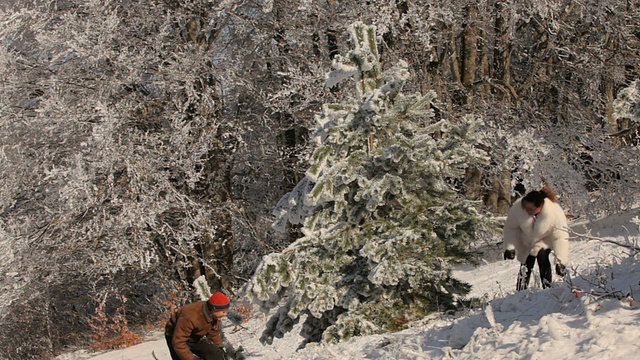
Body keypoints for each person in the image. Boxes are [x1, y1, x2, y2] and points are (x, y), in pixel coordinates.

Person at [502, 186, 569, 290]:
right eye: (525, 208)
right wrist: (509, 247)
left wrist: (561, 261)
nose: (526, 211)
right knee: (526, 263)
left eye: (530, 209)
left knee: (542, 256)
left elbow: (561, 237)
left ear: (540, 206)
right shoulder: (518, 208)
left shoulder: (555, 212)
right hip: (526, 240)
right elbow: (511, 228)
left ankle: (547, 289)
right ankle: (520, 292)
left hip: (545, 240)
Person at [165, 292, 244, 360]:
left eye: (226, 311)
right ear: (213, 308)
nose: (225, 314)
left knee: (216, 355)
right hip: (175, 336)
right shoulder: (191, 317)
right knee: (183, 356)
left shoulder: (215, 315)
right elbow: (178, 343)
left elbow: (213, 331)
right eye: (223, 312)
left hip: (194, 335)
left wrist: (220, 347)